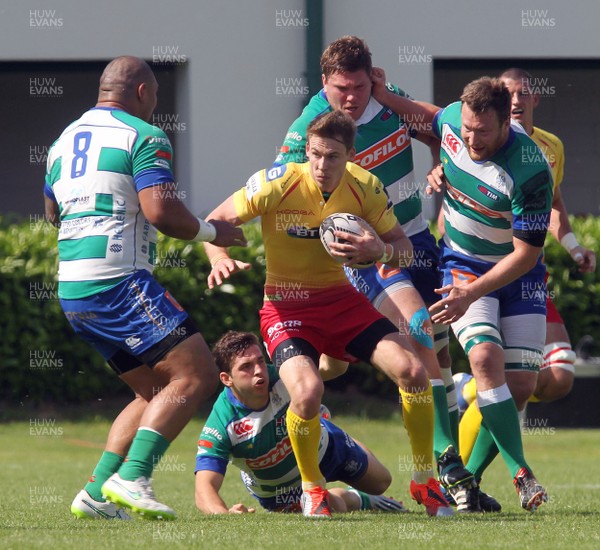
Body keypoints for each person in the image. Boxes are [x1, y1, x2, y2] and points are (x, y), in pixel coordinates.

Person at [203, 110, 475, 518]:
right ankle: (313, 490)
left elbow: (403, 245)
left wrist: (378, 251)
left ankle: (424, 481)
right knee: (308, 393)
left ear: (350, 155)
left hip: (341, 302)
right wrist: (218, 256)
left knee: (414, 370)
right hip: (286, 307)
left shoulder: (366, 186)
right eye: (314, 154)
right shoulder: (276, 182)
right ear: (305, 150)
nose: (321, 165)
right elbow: (215, 221)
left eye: (332, 157)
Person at [44, 56, 246, 520]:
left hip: (74, 288)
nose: (155, 105)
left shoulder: (60, 143)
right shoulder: (144, 135)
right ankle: (134, 477)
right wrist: (215, 233)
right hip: (117, 280)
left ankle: (96, 494)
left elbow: (53, 213)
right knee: (194, 373)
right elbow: (162, 214)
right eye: (154, 96)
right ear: (141, 92)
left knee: (155, 392)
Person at [274, 35, 466, 501]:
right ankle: (447, 466)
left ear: (372, 78)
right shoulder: (309, 127)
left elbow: (446, 132)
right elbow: (281, 191)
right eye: (341, 88)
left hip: (414, 237)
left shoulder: (389, 101)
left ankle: (293, 389)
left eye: (359, 87)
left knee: (428, 351)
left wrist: (439, 164)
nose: (351, 98)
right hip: (363, 250)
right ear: (325, 83)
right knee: (419, 328)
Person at [371, 74, 553, 512]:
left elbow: (526, 255)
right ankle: (521, 473)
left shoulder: (530, 169)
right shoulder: (455, 121)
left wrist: (472, 296)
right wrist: (380, 93)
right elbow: (430, 118)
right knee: (484, 359)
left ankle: (466, 481)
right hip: (462, 265)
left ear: (506, 122)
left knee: (523, 385)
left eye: (483, 132)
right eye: (467, 129)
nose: (471, 139)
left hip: (519, 274)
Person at [449, 68, 597, 472]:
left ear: (535, 100)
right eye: (509, 93)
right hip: (476, 268)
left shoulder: (548, 149)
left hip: (525, 275)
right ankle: (479, 473)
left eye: (523, 93)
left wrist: (572, 244)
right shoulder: (467, 136)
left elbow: (555, 203)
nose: (516, 100)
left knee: (557, 376)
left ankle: (472, 397)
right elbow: (441, 149)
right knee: (497, 372)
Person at [195, 331, 408, 514]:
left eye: (260, 360)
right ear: (226, 379)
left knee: (382, 482)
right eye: (246, 367)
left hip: (326, 448)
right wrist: (225, 513)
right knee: (334, 505)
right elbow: (204, 490)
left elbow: (332, 368)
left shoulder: (282, 374)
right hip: (280, 490)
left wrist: (335, 333)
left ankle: (334, 433)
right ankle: (359, 499)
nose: (259, 370)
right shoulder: (221, 423)